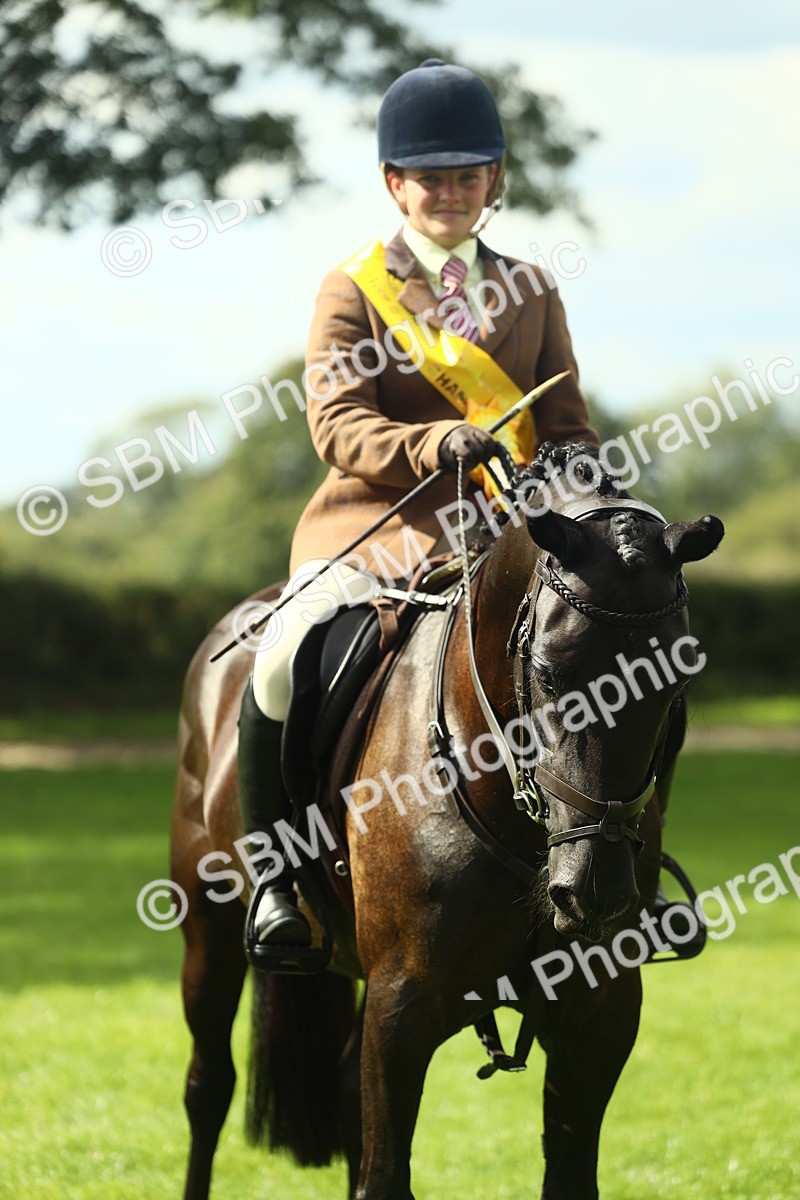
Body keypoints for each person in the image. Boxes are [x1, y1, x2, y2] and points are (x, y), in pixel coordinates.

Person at [237, 58, 599, 958]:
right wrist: (430, 444)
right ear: (395, 184)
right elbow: (337, 424)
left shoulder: (533, 288)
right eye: (430, 177)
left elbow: (567, 423)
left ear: (494, 183)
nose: (449, 192)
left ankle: (616, 858)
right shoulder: (351, 289)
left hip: (505, 536)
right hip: (374, 534)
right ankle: (276, 883)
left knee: (615, 639)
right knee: (280, 658)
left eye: (467, 175)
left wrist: (583, 487)